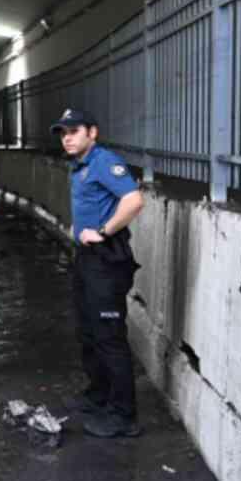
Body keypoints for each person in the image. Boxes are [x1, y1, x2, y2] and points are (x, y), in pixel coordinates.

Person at [51, 108, 145, 438]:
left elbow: (133, 200)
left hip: (107, 259)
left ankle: (124, 416)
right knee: (88, 331)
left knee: (109, 336)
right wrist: (81, 227)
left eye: (74, 131)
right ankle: (99, 394)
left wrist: (103, 231)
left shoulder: (104, 161)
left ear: (93, 132)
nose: (67, 138)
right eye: (63, 133)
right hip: (87, 259)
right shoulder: (81, 166)